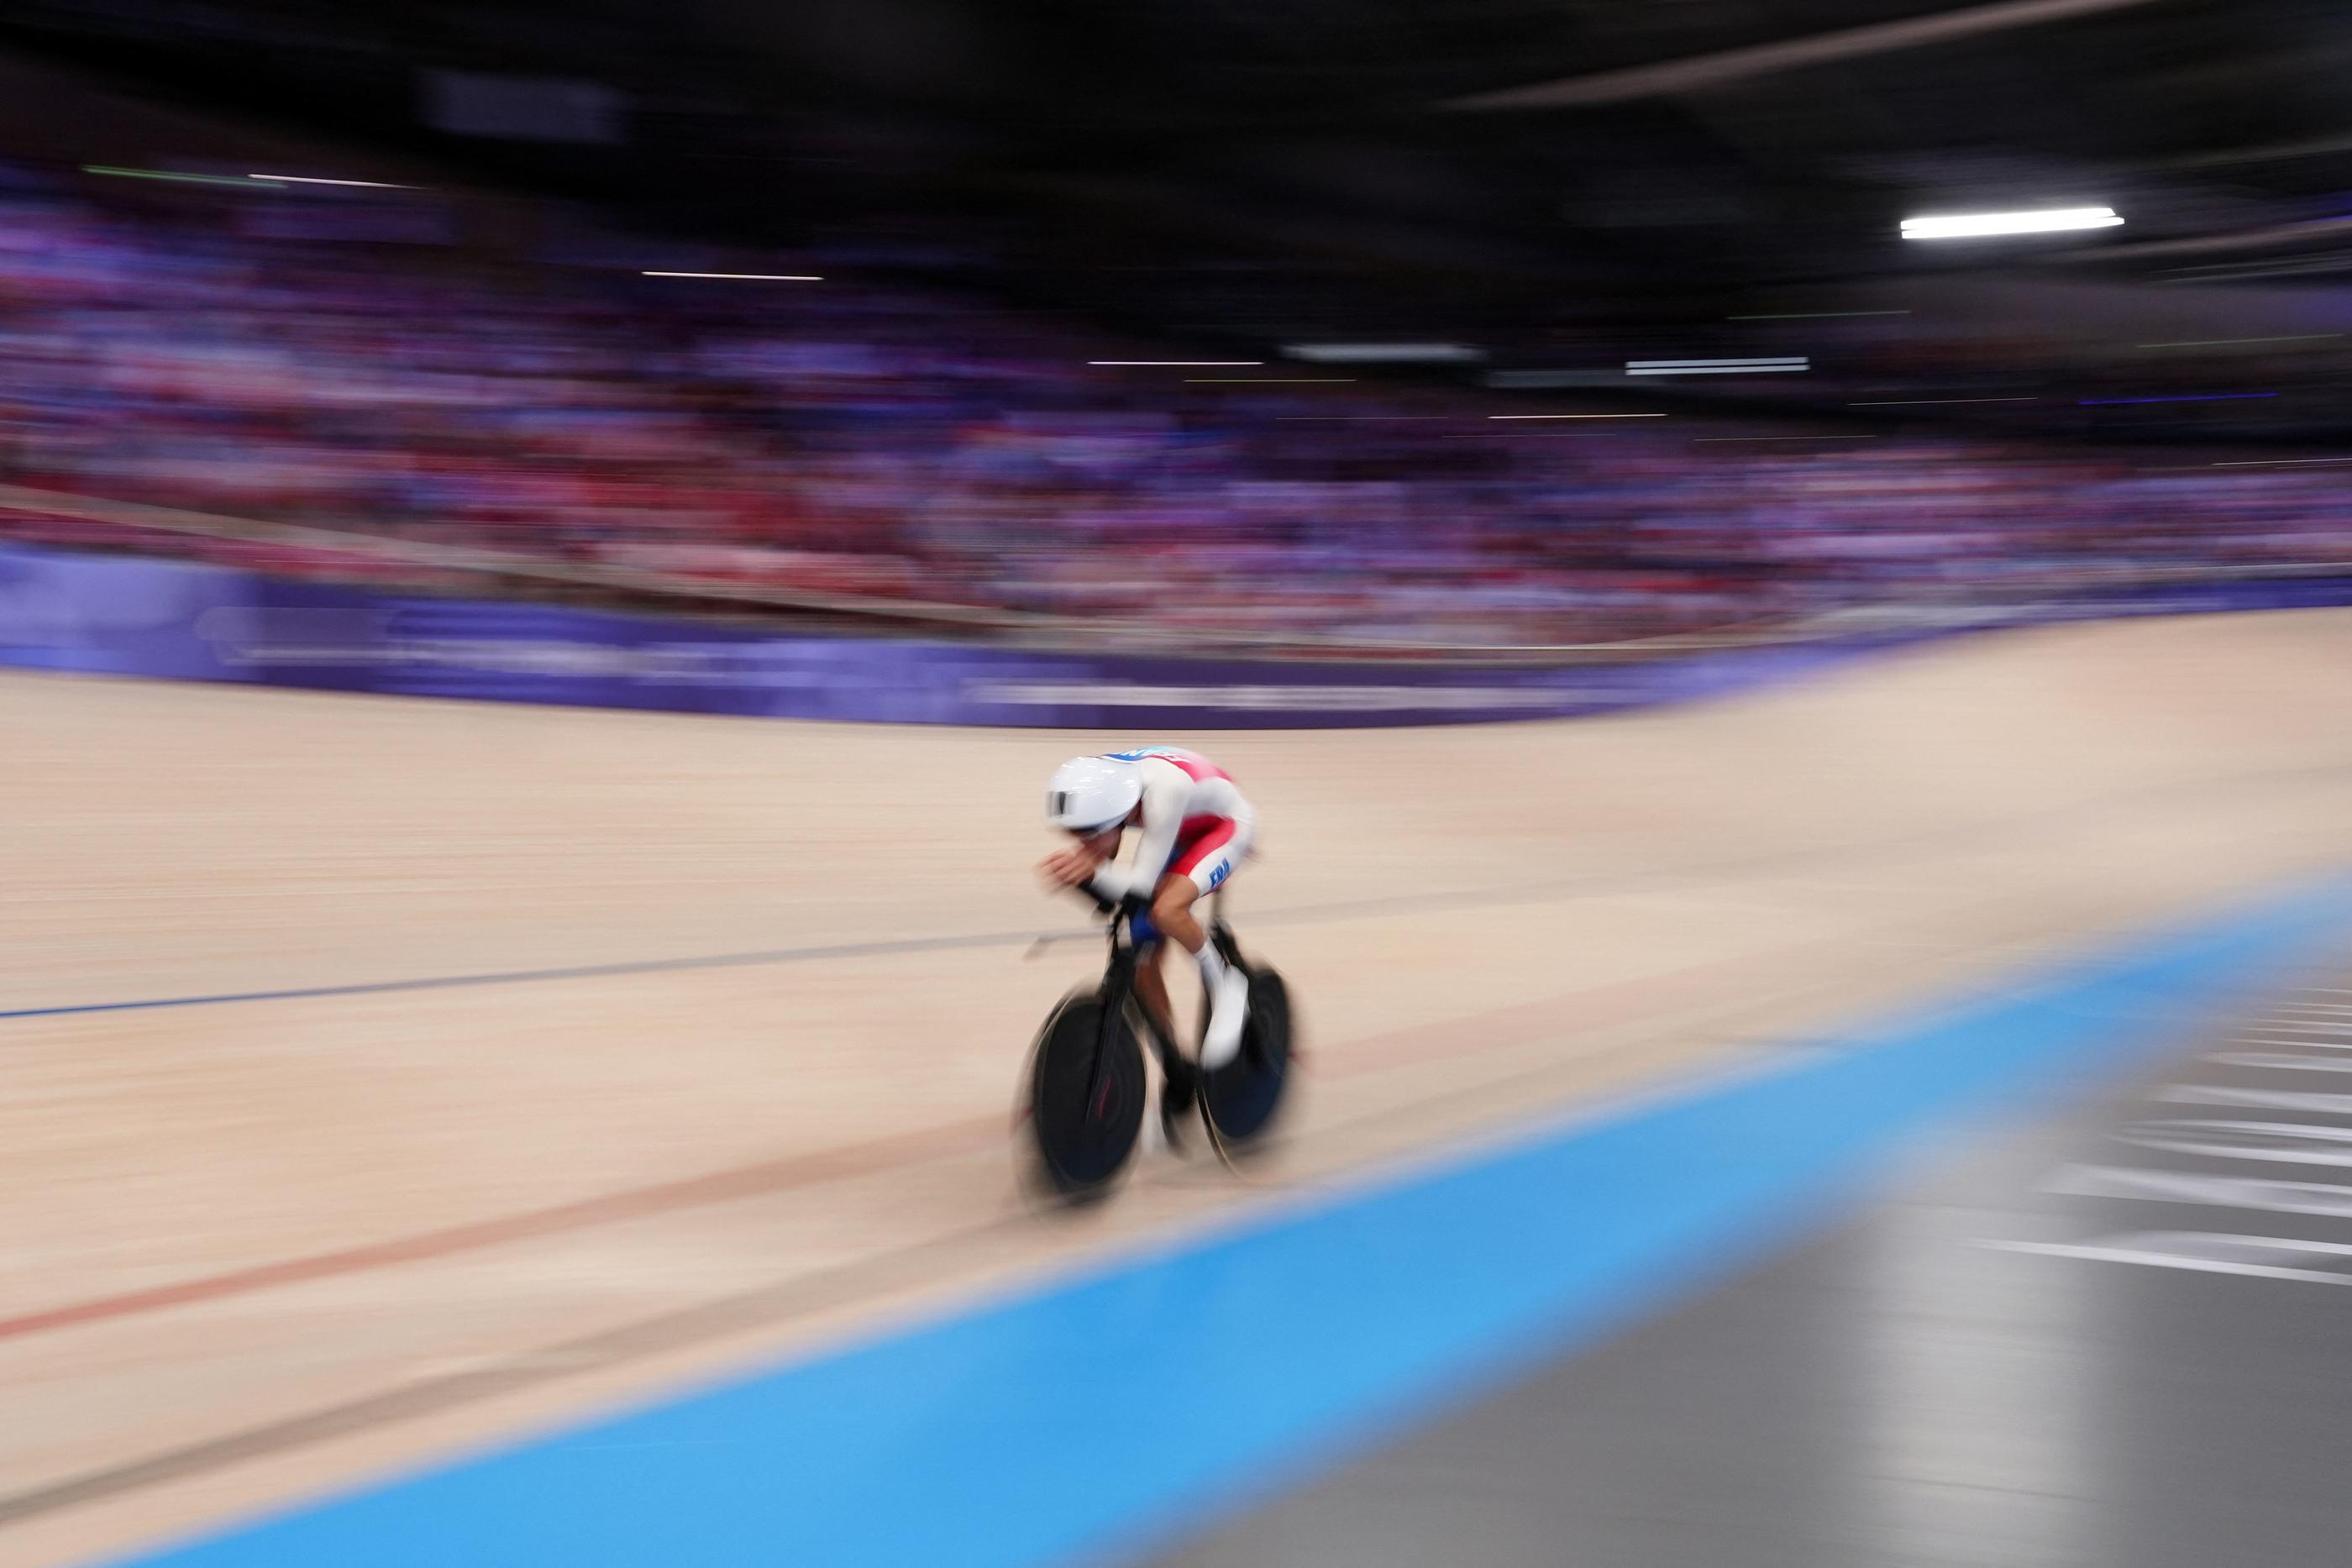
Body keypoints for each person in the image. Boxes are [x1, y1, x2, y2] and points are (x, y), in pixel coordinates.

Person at [1039, 747, 1257, 1088]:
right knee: (1140, 954)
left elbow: (1140, 884)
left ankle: (1226, 984)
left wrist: (1092, 874)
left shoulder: (1165, 790)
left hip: (1224, 826)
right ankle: (1173, 1059)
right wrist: (1089, 876)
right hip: (1176, 827)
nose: (1083, 845)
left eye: (1089, 835)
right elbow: (1108, 868)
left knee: (1166, 909)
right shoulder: (1103, 783)